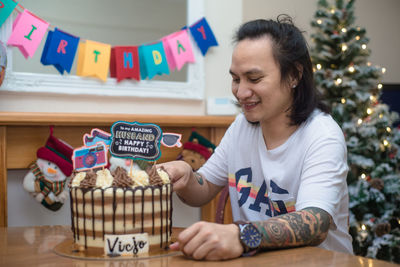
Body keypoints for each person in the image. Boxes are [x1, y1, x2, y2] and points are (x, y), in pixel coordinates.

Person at [161, 15, 353, 260]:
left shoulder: (322, 135)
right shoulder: (243, 125)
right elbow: (205, 187)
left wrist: (242, 235)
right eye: (235, 79)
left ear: (294, 75)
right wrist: (188, 177)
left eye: (254, 79)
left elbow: (315, 223)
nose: (241, 92)